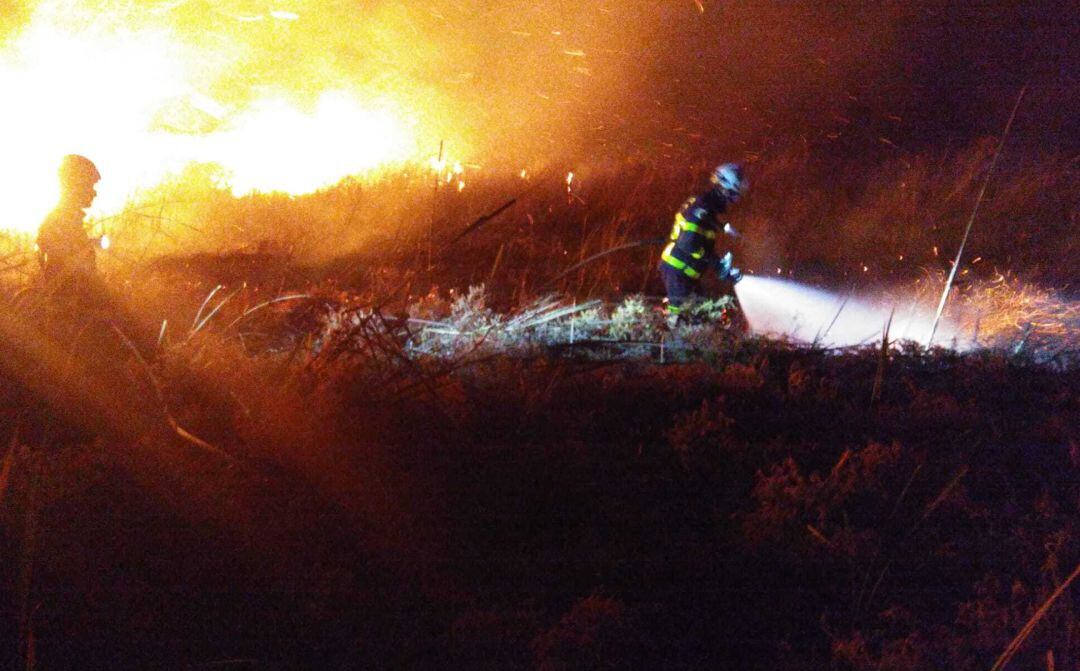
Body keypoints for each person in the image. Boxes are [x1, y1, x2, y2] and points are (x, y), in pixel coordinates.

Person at [659, 162, 747, 327]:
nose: (734, 199)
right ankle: (663, 348)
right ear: (723, 187)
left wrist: (720, 266)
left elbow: (701, 245)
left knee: (699, 315)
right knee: (676, 321)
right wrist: (718, 265)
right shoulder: (702, 208)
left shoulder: (707, 208)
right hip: (678, 271)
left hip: (685, 272)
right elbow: (689, 244)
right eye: (733, 194)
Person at [37, 154, 103, 300]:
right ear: (75, 186)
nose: (94, 193)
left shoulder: (68, 221)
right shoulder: (58, 222)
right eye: (89, 185)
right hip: (70, 311)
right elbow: (60, 274)